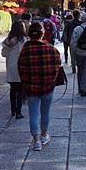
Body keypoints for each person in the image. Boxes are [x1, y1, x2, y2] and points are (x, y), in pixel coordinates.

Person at [18, 22, 62, 151]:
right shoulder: (51, 49)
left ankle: (36, 140)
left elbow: (21, 69)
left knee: (33, 113)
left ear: (29, 34)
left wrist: (26, 84)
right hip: (48, 87)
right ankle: (44, 135)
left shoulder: (25, 50)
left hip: (31, 88)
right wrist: (51, 81)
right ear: (42, 34)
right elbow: (57, 67)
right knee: (45, 112)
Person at [1, 21, 27, 119]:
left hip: (11, 67)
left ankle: (12, 110)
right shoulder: (24, 40)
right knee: (20, 91)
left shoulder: (8, 40)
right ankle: (18, 112)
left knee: (13, 90)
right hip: (21, 67)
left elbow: (3, 54)